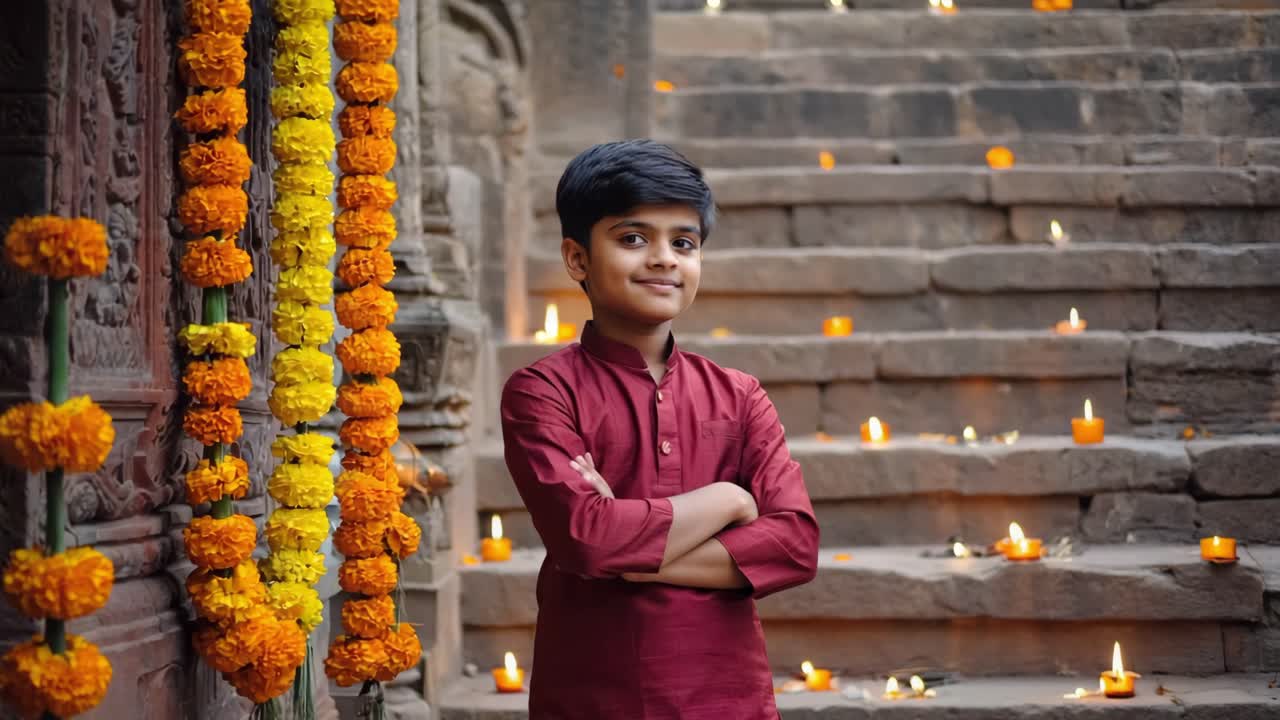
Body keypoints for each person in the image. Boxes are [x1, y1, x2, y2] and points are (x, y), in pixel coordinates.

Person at [500, 139, 820, 719]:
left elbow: (795, 545)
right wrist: (727, 499)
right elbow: (585, 539)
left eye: (684, 242)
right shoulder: (542, 391)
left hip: (727, 695)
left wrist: (629, 551)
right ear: (577, 259)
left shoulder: (739, 395)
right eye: (632, 238)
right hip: (595, 694)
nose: (664, 258)